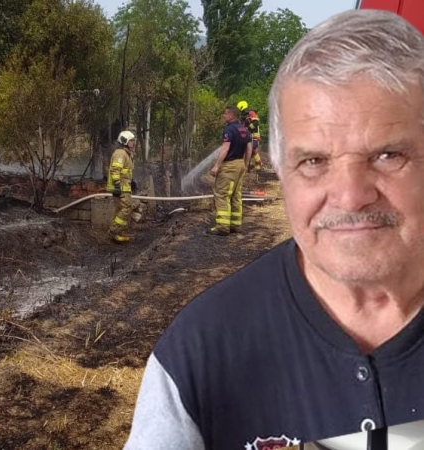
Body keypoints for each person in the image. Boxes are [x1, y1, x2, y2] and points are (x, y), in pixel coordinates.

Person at [124, 9, 424, 449]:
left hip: (230, 173)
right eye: (313, 161)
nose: (350, 195)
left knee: (224, 202)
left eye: (387, 155)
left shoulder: (234, 129)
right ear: (282, 171)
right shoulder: (200, 354)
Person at [207, 105, 252, 236]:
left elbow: (225, 148)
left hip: (229, 166)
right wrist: (245, 165)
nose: (224, 116)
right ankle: (235, 225)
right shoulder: (244, 129)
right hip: (240, 164)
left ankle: (222, 226)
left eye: (226, 114)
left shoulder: (229, 129)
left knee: (222, 194)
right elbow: (249, 149)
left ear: (231, 115)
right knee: (236, 195)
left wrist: (216, 166)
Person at [106, 130, 142, 243]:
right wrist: (117, 185)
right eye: (131, 141)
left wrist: (131, 182)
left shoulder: (127, 154)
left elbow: (125, 172)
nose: (133, 143)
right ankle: (114, 231)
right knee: (127, 207)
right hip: (120, 187)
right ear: (124, 141)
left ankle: (117, 232)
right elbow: (115, 170)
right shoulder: (120, 154)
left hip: (124, 187)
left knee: (120, 209)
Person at [237, 100, 263, 177]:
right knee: (252, 151)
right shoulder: (243, 116)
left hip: (254, 137)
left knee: (250, 149)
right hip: (248, 137)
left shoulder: (251, 113)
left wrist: (248, 129)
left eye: (240, 110)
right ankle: (257, 165)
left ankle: (253, 165)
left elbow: (256, 122)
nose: (240, 112)